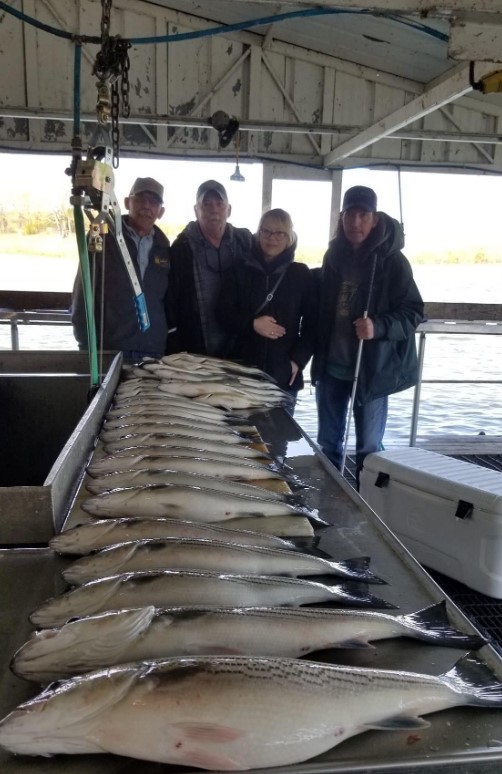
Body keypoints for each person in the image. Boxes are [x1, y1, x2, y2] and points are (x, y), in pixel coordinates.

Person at [311, 184, 424, 483]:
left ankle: (367, 510)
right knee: (327, 446)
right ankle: (329, 504)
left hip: (371, 372)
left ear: (374, 219)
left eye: (363, 215)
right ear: (342, 217)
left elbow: (413, 312)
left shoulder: (393, 261)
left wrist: (378, 327)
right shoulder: (332, 255)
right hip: (331, 370)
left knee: (369, 450)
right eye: (350, 214)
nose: (356, 222)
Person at [217, 208, 315, 403]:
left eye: (280, 233)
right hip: (242, 373)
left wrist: (298, 361)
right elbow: (222, 313)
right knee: (244, 433)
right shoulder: (238, 270)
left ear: (289, 237)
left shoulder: (300, 274)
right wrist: (252, 324)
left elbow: (314, 324)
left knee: (281, 433)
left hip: (283, 376)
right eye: (266, 231)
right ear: (258, 233)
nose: (272, 238)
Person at [72, 177, 170, 361]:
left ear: (161, 211)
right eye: (140, 199)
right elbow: (83, 292)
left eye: (154, 202)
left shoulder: (165, 248)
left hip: (154, 351)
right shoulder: (101, 237)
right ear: (127, 203)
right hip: (111, 350)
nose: (146, 207)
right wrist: (84, 344)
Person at [166, 180, 252, 357]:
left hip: (240, 348)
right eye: (206, 204)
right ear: (196, 210)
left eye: (219, 204)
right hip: (196, 350)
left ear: (229, 210)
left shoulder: (245, 242)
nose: (214, 209)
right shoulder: (181, 248)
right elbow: (170, 300)